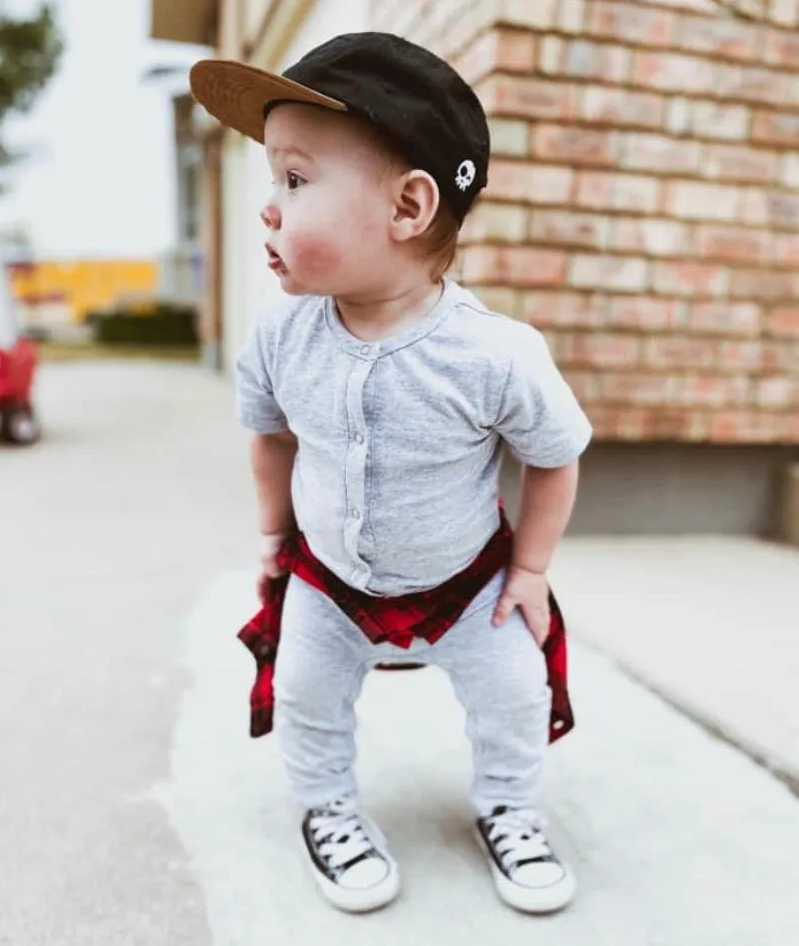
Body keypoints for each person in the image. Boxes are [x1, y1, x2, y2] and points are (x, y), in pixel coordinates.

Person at [190, 31, 592, 916]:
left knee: (515, 694)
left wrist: (528, 571)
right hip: (330, 582)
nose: (269, 208)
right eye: (272, 181)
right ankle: (328, 806)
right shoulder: (279, 336)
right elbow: (270, 436)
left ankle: (510, 808)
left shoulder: (492, 354)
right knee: (306, 692)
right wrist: (272, 534)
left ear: (409, 209)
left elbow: (555, 454)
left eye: (295, 181)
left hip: (466, 584)